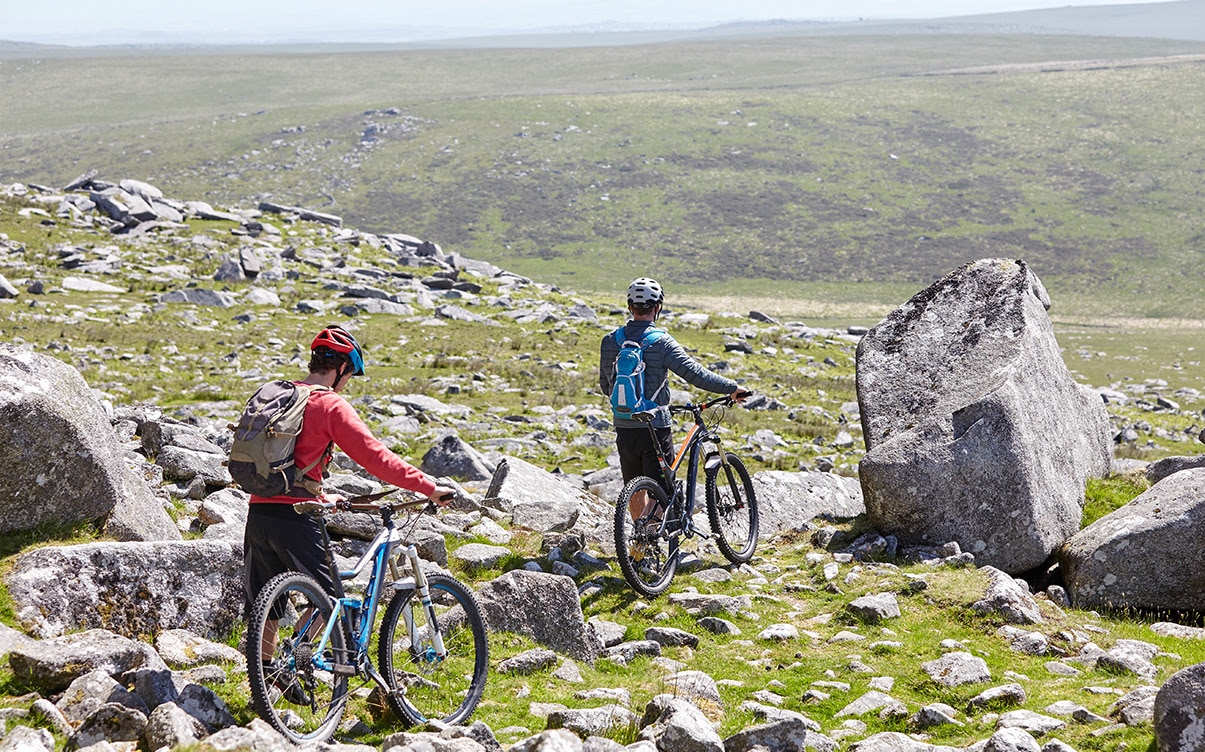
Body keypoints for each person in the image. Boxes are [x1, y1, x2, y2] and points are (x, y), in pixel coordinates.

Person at [243, 324, 454, 682]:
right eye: (350, 375)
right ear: (341, 369)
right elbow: (375, 458)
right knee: (331, 601)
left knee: (268, 604)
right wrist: (427, 487)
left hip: (259, 511)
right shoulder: (329, 404)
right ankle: (295, 663)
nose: (348, 383)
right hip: (296, 516)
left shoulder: (282, 397)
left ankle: (266, 681)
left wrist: (323, 496)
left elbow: (287, 464)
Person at [598, 278, 748, 525]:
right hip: (655, 425)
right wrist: (731, 388)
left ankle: (639, 542)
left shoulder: (610, 341)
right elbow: (696, 374)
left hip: (624, 424)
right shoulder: (661, 342)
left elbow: (607, 386)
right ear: (658, 307)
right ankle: (652, 536)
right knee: (662, 489)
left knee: (633, 486)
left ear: (629, 306)